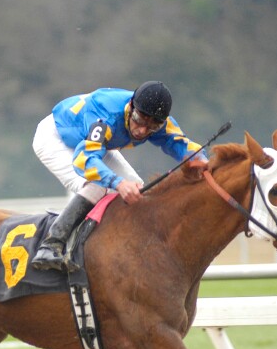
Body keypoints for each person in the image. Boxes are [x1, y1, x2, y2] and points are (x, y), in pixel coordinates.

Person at [30, 81, 209, 272]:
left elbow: (180, 143)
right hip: (56, 137)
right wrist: (117, 182)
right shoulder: (106, 114)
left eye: (152, 126)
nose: (142, 131)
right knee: (98, 186)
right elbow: (86, 159)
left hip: (93, 142)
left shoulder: (154, 118)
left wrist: (203, 161)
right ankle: (51, 245)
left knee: (138, 191)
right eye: (139, 120)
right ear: (130, 107)